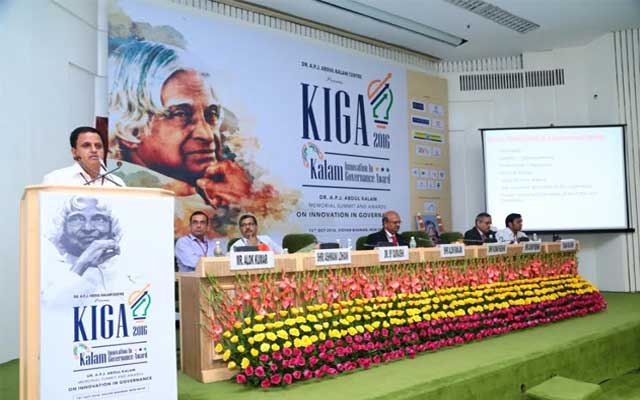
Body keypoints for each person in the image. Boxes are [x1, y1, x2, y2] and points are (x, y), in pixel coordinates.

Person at [42, 196, 127, 302]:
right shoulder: (47, 270)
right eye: (76, 219)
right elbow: (52, 307)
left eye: (99, 219)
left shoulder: (126, 271)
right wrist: (81, 264)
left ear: (112, 227)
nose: (88, 228)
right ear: (62, 229)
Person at [43, 126, 126, 187]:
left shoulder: (117, 183)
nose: (94, 150)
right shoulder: (55, 180)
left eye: (98, 146)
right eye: (86, 145)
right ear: (74, 152)